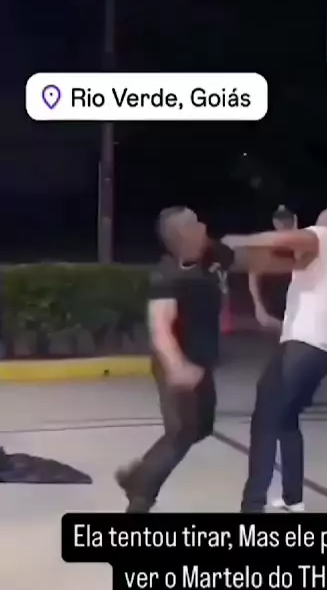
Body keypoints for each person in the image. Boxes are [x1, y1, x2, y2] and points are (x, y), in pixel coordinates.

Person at [115, 206, 300, 512]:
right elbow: (160, 328)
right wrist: (177, 366)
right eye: (196, 223)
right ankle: (141, 496)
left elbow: (250, 260)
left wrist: (301, 263)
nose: (203, 225)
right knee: (182, 431)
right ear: (183, 235)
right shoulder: (167, 276)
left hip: (202, 362)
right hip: (177, 363)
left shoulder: (212, 253)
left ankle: (137, 477)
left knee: (201, 427)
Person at [225, 208, 327, 513]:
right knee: (286, 418)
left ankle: (252, 506)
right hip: (326, 352)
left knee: (265, 417)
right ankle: (292, 498)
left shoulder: (323, 237)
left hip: (302, 346)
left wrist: (238, 241)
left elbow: (285, 239)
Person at [248, 205, 297, 330]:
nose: (284, 225)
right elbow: (253, 276)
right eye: (281, 222)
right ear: (275, 223)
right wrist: (258, 306)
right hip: (273, 311)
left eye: (287, 221)